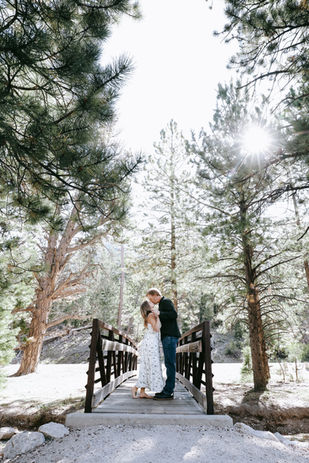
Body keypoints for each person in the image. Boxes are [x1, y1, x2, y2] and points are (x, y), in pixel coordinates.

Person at [146, 288, 181, 399]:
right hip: (168, 336)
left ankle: (168, 392)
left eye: (151, 298)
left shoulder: (165, 301)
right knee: (168, 363)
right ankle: (167, 390)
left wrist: (160, 313)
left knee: (170, 363)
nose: (151, 301)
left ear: (155, 295)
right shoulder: (162, 303)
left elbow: (174, 315)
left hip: (170, 336)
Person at [131, 300, 164, 399]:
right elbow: (156, 329)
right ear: (147, 306)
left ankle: (142, 392)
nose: (151, 302)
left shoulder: (150, 315)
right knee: (151, 365)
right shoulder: (151, 315)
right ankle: (135, 387)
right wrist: (158, 316)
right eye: (149, 302)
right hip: (150, 344)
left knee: (146, 366)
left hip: (150, 343)